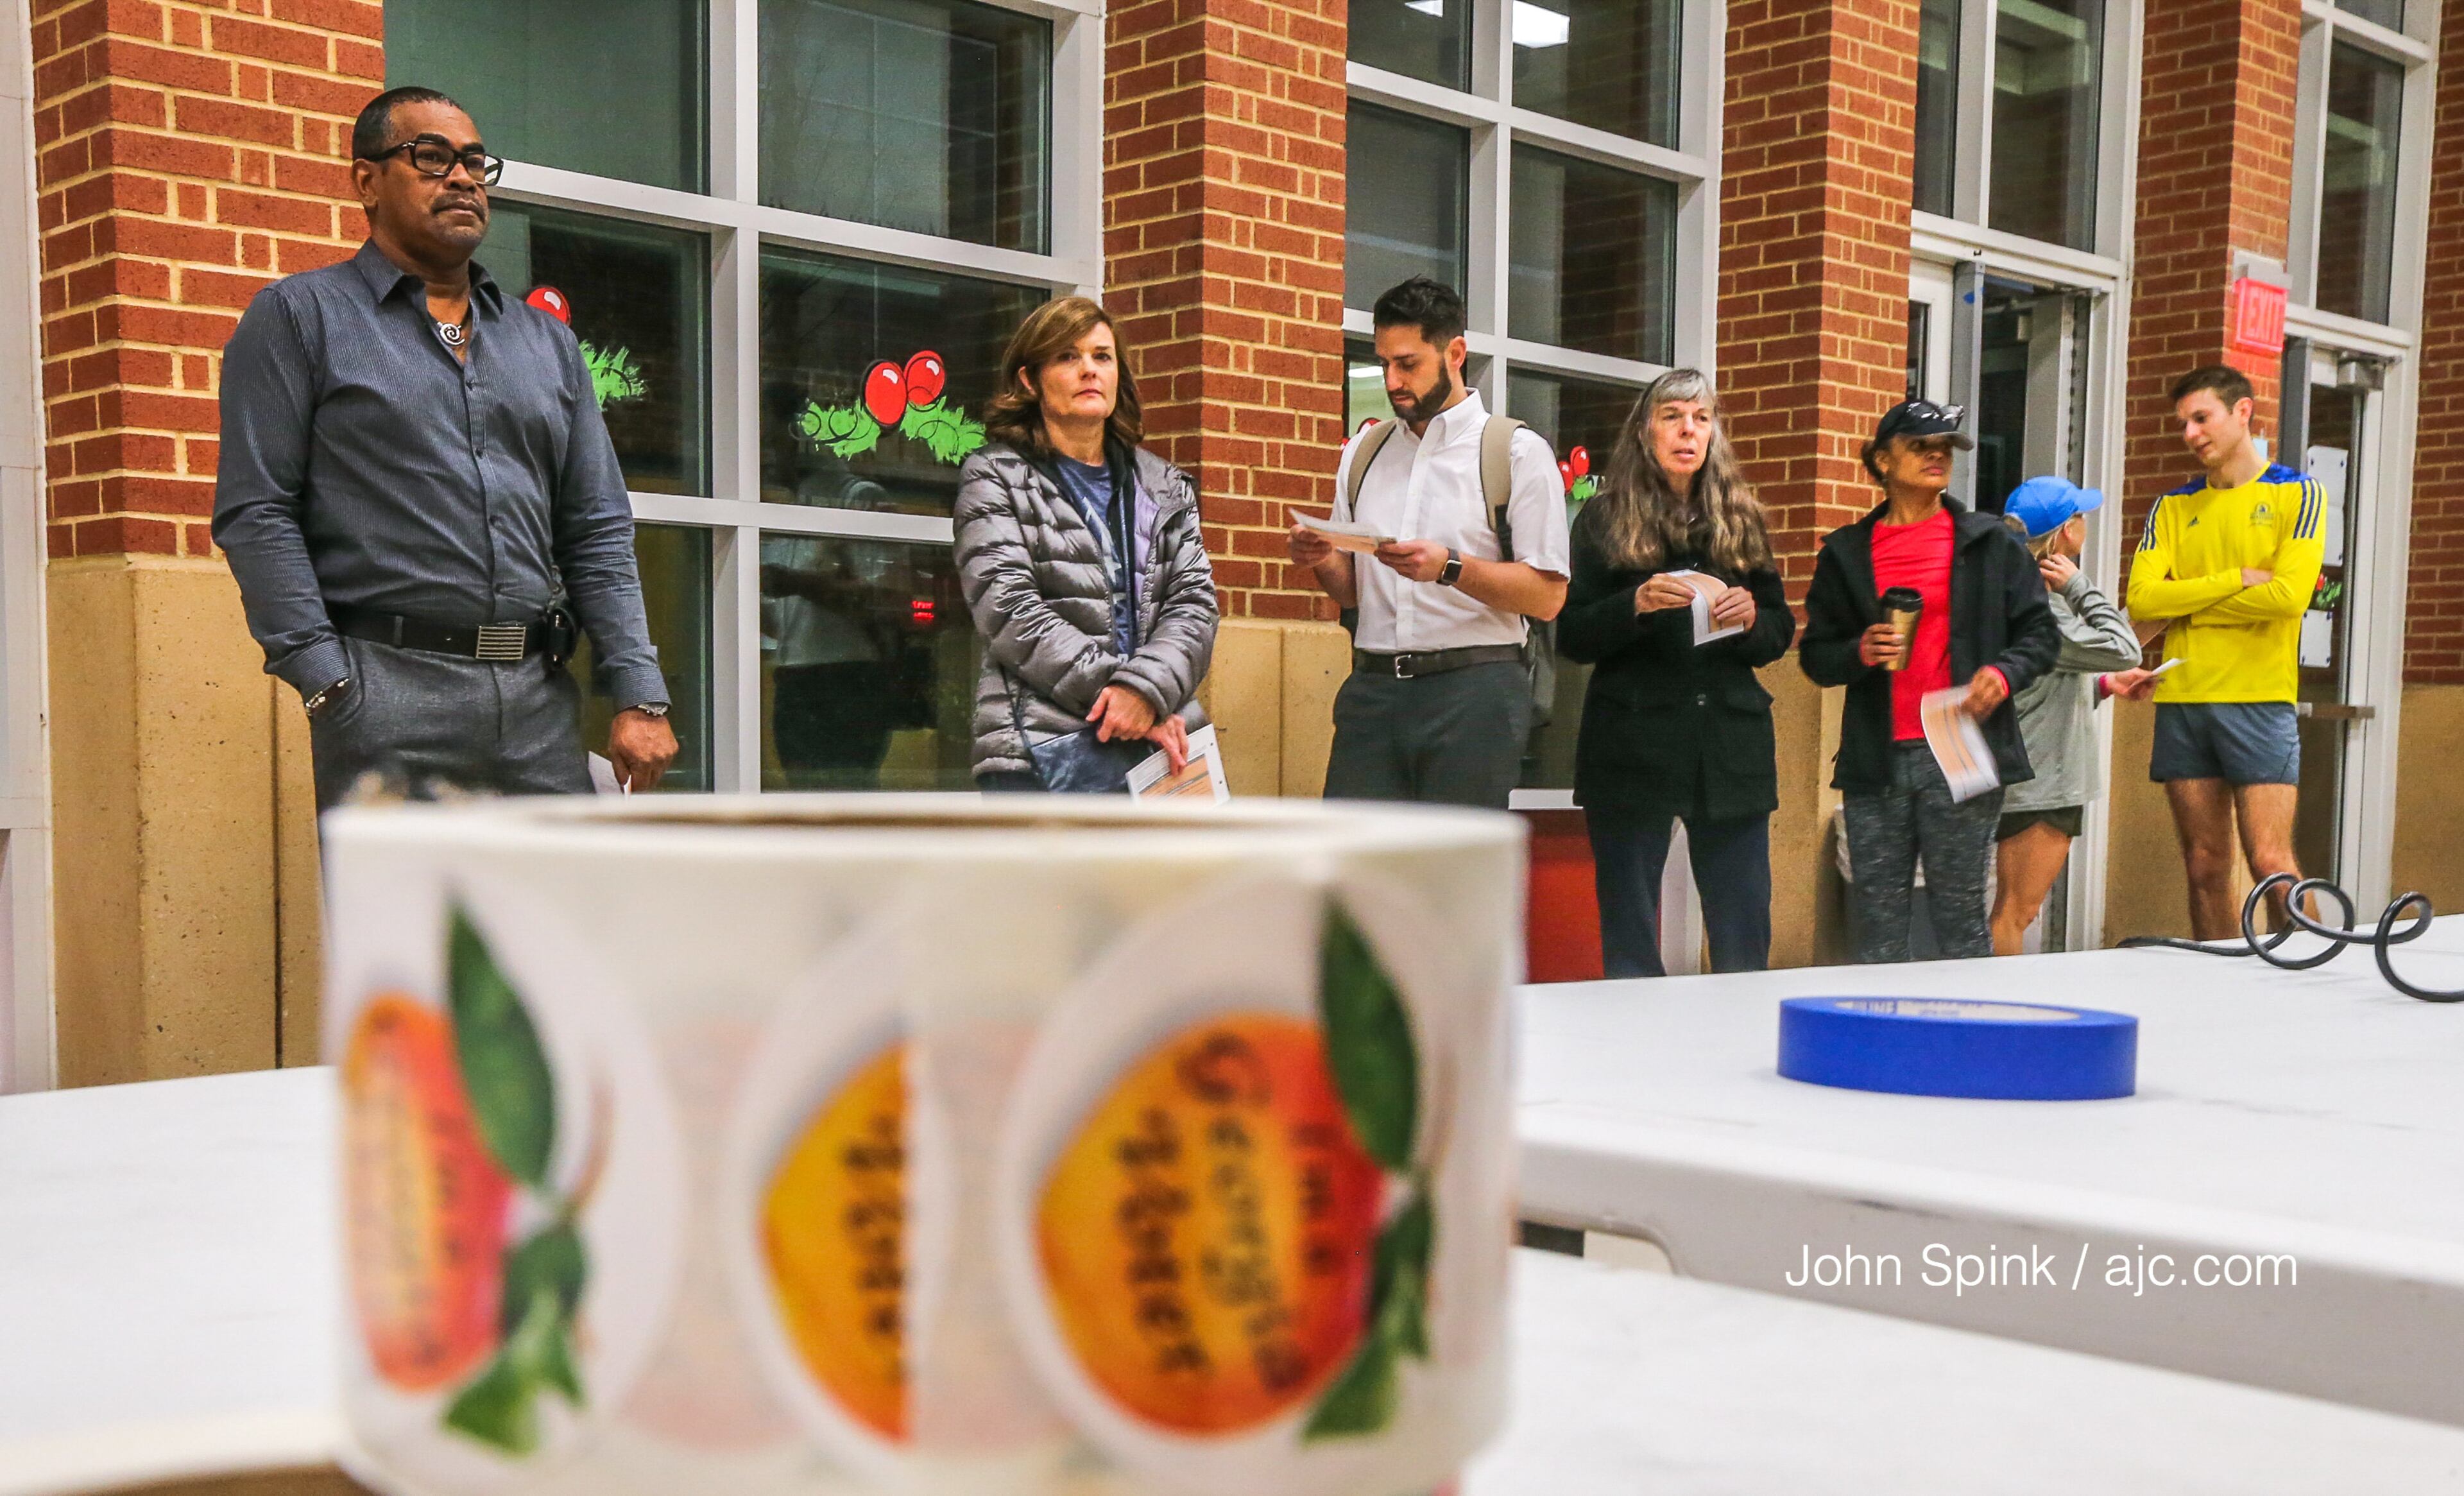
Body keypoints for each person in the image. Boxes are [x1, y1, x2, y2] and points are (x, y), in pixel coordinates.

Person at [214, 87, 676, 809]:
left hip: (538, 705)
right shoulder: (301, 318)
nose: (461, 178)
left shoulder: (545, 343)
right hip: (387, 698)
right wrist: (326, 677)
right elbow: (257, 511)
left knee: (549, 919)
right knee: (404, 924)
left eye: (474, 162)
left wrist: (639, 692)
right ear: (367, 181)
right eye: (430, 157)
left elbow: (595, 527)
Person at [1288, 278, 1569, 808]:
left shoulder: (1514, 453)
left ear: (1455, 353)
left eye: (1408, 363)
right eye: (1384, 362)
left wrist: (1450, 567)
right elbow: (1351, 596)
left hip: (1474, 690)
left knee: (1451, 878)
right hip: (1372, 690)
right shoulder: (1364, 453)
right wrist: (1323, 557)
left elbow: (1548, 596)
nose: (1392, 380)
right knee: (1348, 871)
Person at [1801, 399, 2060, 963]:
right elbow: (1817, 657)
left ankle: (1966, 1040)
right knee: (1878, 916)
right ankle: (1885, 1042)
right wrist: (1859, 651)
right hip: (1877, 753)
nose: (1938, 455)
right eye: (1921, 446)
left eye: (1946, 447)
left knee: (1961, 912)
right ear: (1882, 460)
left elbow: (2041, 635)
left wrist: (2002, 672)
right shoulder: (1846, 553)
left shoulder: (1990, 542)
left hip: (1959, 747)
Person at [1556, 369, 1793, 977]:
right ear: (1645, 432)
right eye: (1672, 417)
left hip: (1729, 744)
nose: (1688, 430)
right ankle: (1637, 1056)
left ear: (1714, 432)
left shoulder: (1742, 520)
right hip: (1633, 743)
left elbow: (1778, 633)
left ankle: (1738, 1048)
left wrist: (1750, 619)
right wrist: (1631, 605)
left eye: (1701, 418)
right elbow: (1573, 634)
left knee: (1743, 930)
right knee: (1631, 933)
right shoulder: (1603, 519)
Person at [954, 297, 1217, 791]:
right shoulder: (994, 476)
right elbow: (1008, 607)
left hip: (1164, 743)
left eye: (1102, 356)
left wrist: (1147, 692)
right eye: (1067, 357)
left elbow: (1195, 606)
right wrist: (1125, 697)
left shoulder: (1164, 484)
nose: (1089, 371)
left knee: (1182, 873)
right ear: (1030, 380)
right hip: (1038, 747)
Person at [2126, 366, 2327, 939]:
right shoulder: (2170, 508)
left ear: (2243, 412)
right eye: (2183, 424)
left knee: (2270, 862)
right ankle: (2219, 987)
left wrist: (2184, 604)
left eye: (2201, 418)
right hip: (2185, 700)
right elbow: (2141, 601)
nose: (2190, 433)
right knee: (2204, 866)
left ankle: (2306, 982)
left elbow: (2289, 598)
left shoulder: (2298, 493)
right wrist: (2236, 579)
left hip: (2259, 700)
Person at [1988, 476, 2164, 956]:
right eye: (2080, 517)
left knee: (2012, 911)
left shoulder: (2014, 593)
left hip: (2033, 772)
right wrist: (2081, 585)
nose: (2086, 524)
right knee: (2014, 913)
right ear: (2065, 533)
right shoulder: (2046, 606)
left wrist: (2106, 684)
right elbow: (2123, 646)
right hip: (2041, 782)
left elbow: (2041, 685)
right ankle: (1999, 1018)